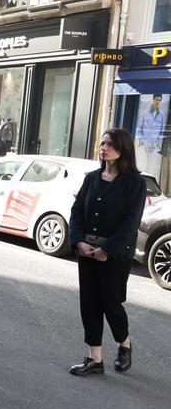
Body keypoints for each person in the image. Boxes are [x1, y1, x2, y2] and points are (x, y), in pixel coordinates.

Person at [68, 127, 147, 376]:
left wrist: (107, 249)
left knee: (111, 303)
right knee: (89, 303)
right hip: (87, 253)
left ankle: (124, 344)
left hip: (113, 256)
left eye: (110, 144)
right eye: (102, 144)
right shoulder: (92, 178)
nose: (104, 148)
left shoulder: (135, 182)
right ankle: (95, 359)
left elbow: (131, 222)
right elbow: (77, 211)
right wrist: (78, 241)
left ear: (123, 149)